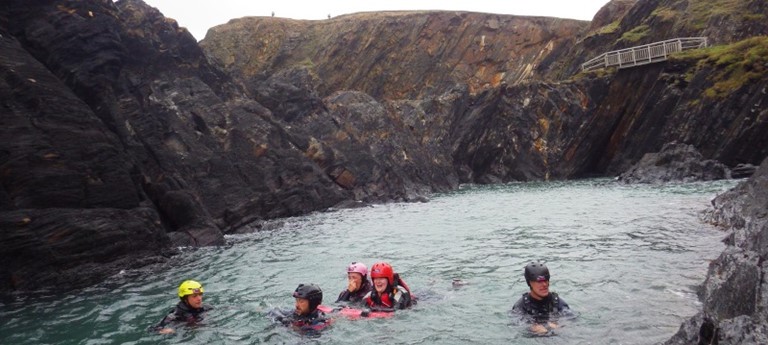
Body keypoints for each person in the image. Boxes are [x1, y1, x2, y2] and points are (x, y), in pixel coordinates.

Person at [511, 262, 571, 335]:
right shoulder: (521, 306)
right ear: (529, 283)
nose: (544, 285)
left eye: (546, 280)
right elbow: (516, 323)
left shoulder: (557, 302)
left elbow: (571, 318)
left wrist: (561, 325)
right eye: (539, 281)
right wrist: (531, 327)